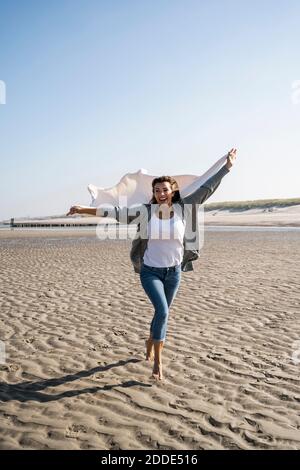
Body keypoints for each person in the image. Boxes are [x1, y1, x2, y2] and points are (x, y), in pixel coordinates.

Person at [67, 149, 237, 380]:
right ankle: (158, 363)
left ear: (172, 191)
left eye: (165, 190)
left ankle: (151, 339)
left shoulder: (184, 208)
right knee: (163, 311)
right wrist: (82, 209)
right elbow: (116, 212)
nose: (161, 194)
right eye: (157, 191)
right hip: (150, 272)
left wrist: (227, 167)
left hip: (174, 272)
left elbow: (207, 187)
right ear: (154, 194)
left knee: (161, 314)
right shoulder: (145, 212)